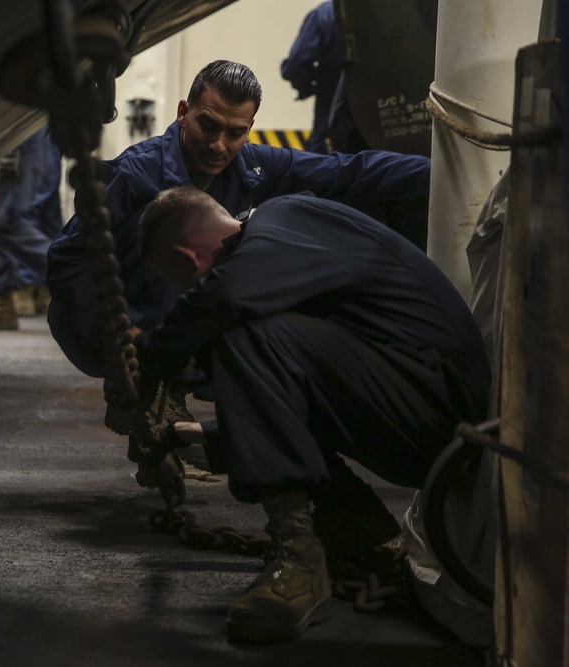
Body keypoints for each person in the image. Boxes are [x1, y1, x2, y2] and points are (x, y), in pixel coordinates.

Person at [134, 187, 490, 642]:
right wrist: (197, 434)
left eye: (183, 282)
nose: (189, 290)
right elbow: (295, 396)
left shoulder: (282, 219)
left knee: (240, 333)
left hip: (441, 410)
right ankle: (349, 522)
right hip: (422, 410)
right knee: (251, 334)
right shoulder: (285, 243)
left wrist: (145, 365)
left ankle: (300, 562)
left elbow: (225, 297)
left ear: (188, 259)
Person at [47, 60, 431, 380]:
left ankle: (197, 375)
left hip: (169, 323)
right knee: (176, 227)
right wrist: (118, 330)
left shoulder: (254, 166)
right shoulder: (134, 174)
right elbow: (68, 260)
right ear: (183, 112)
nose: (218, 146)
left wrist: (443, 172)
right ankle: (159, 372)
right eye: (207, 126)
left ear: (249, 128)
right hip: (96, 330)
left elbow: (349, 173)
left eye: (235, 133)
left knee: (247, 241)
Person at [0, 126, 63, 330]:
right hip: (5, 131)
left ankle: (75, 270)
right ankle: (3, 304)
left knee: (7, 222)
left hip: (17, 132)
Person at [280, 1, 342, 153]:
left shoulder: (326, 13)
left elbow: (296, 65)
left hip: (333, 119)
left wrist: (311, 85)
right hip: (391, 125)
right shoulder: (399, 12)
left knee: (319, 166)